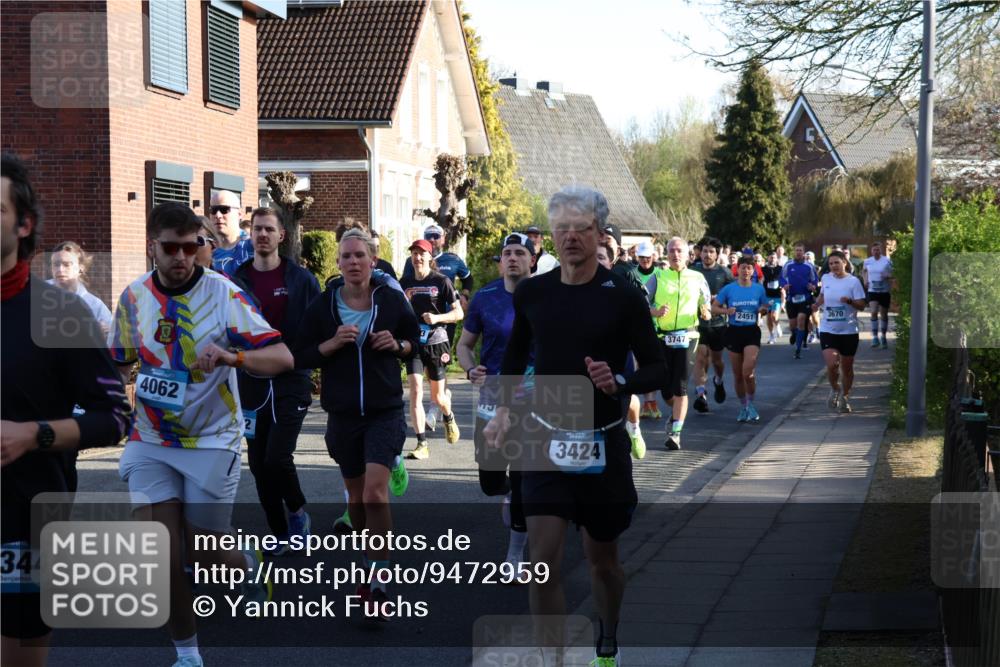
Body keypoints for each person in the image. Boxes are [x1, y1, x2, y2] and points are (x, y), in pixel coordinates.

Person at [483, 185, 668, 666]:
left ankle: (607, 642)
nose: (569, 238)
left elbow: (657, 368)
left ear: (599, 233)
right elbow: (516, 355)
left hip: (601, 442)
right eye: (560, 228)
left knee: (602, 561)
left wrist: (621, 380)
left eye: (580, 229)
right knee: (540, 562)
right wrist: (502, 412)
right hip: (543, 436)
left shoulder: (623, 295)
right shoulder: (532, 293)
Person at [109, 202, 292, 667]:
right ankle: (188, 655)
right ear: (152, 247)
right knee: (163, 551)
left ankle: (246, 563)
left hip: (212, 439)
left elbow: (283, 358)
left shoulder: (224, 295)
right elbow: (117, 361)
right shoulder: (133, 299)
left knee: (204, 549)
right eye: (170, 247)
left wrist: (234, 358)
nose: (181, 257)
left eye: (191, 247)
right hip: (151, 438)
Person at [1, 154, 133, 667]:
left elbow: (114, 416)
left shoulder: (59, 313)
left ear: (25, 223)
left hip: (29, 510)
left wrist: (33, 434)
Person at [294, 227, 419, 617]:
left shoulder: (391, 300)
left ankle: (378, 576)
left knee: (374, 493)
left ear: (373, 261)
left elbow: (415, 340)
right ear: (338, 263)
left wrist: (397, 345)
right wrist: (329, 345)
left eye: (359, 256)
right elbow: (301, 353)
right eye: (345, 256)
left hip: (384, 411)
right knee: (355, 499)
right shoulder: (323, 305)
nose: (352, 262)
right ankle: (369, 558)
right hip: (343, 414)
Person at [232, 208, 321, 555]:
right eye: (257, 229)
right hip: (252, 380)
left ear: (282, 235)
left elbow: (318, 327)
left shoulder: (301, 280)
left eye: (269, 229)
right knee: (257, 463)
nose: (263, 235)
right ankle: (280, 530)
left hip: (290, 379)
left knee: (277, 456)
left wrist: (311, 365)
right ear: (251, 234)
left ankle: (298, 512)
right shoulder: (237, 280)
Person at [457, 233, 535, 574]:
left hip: (534, 398)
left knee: (521, 476)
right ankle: (508, 493)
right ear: (500, 261)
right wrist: (471, 368)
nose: (513, 258)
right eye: (508, 253)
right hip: (491, 397)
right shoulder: (485, 297)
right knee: (490, 480)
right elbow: (465, 345)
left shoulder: (546, 296)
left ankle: (515, 556)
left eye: (520, 252)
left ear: (533, 259)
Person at [644, 237, 712, 450]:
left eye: (679, 251)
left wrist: (706, 312)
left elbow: (706, 302)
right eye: (671, 251)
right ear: (666, 254)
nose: (675, 254)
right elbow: (641, 303)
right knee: (666, 389)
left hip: (688, 337)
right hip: (663, 337)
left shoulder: (697, 278)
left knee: (680, 386)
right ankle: (674, 416)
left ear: (688, 254)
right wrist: (655, 311)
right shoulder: (658, 277)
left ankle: (676, 433)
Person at [400, 239, 462, 459]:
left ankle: (448, 415)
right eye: (414, 254)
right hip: (415, 343)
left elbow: (458, 314)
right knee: (416, 389)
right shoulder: (404, 282)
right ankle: (421, 443)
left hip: (436, 342)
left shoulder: (441, 281)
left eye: (421, 254)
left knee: (438, 398)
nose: (417, 258)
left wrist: (437, 318)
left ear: (430, 257)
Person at [600, 223, 649, 457]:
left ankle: (634, 428)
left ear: (617, 250)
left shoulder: (626, 272)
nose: (603, 244)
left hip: (621, 348)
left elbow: (642, 307)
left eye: (608, 241)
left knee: (624, 396)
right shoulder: (579, 270)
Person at [714, 256, 771, 423]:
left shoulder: (758, 289)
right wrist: (727, 311)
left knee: (748, 372)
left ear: (753, 271)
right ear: (737, 269)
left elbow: (766, 306)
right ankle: (744, 406)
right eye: (743, 267)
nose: (746, 270)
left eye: (749, 268)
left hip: (751, 332)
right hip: (734, 332)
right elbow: (714, 307)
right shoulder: (729, 289)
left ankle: (751, 403)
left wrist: (762, 309)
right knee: (738, 375)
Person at [814, 251, 867, 413]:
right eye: (830, 264)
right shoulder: (826, 278)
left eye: (836, 263)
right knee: (832, 365)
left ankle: (845, 396)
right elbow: (822, 296)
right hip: (828, 329)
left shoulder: (853, 282)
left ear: (844, 262)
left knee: (847, 368)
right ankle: (835, 389)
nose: (833, 266)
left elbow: (862, 305)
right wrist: (816, 304)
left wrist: (850, 301)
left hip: (849, 330)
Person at [691, 237, 733, 414]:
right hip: (697, 323)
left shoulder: (724, 272)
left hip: (717, 323)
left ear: (717, 254)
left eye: (711, 251)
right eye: (705, 251)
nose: (707, 254)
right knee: (700, 357)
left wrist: (719, 300)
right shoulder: (692, 271)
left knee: (716, 360)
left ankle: (718, 380)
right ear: (700, 252)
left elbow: (733, 293)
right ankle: (701, 394)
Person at [47, 240, 113, 335]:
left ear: (80, 269)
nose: (60, 269)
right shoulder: (36, 294)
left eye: (67, 265)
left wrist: (103, 335)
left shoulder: (95, 306)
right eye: (56, 264)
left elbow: (113, 340)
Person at [633, 241, 661, 420]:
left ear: (653, 257)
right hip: (635, 326)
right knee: (637, 366)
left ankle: (652, 403)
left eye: (648, 257)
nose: (645, 260)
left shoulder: (660, 275)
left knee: (652, 365)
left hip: (657, 325)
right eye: (642, 257)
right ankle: (642, 404)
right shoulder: (631, 274)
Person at [781, 243, 819, 360]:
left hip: (805, 298)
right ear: (794, 252)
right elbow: (781, 278)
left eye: (800, 250)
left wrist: (813, 286)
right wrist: (784, 285)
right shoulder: (788, 264)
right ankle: (794, 333)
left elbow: (815, 279)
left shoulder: (809, 266)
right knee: (793, 324)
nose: (798, 252)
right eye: (796, 250)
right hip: (791, 298)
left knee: (802, 320)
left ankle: (798, 349)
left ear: (803, 252)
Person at [209, 190, 253, 275]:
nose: (218, 215)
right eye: (213, 210)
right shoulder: (205, 249)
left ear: (239, 214)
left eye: (224, 209)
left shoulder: (252, 246)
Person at [862, 241, 892, 349]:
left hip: (884, 291)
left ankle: (883, 336)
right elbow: (864, 272)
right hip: (872, 290)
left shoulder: (887, 261)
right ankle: (875, 337)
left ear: (881, 250)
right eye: (874, 250)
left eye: (878, 250)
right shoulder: (867, 261)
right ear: (871, 251)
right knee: (873, 311)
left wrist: (888, 275)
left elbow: (893, 273)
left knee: (884, 314)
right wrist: (865, 280)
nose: (876, 252)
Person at [761, 252, 784, 344]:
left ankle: (778, 327)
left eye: (774, 257)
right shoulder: (763, 269)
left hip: (777, 296)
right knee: (769, 318)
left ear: (777, 259)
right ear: (768, 258)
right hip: (767, 296)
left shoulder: (780, 269)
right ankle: (771, 336)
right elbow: (760, 279)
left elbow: (784, 279)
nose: (772, 259)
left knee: (774, 315)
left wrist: (784, 290)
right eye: (771, 257)